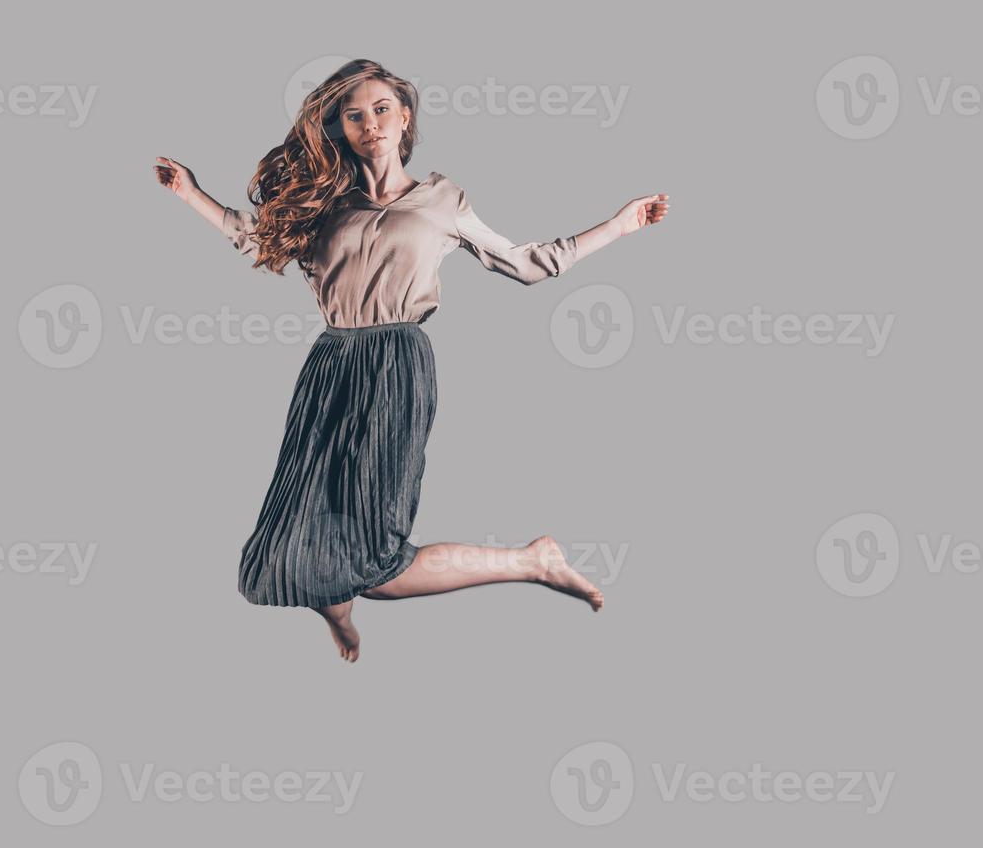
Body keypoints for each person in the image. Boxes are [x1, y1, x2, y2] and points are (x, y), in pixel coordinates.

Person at [155, 59, 669, 661]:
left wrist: (619, 225)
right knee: (298, 540)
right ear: (340, 129)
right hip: (330, 367)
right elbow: (253, 234)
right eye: (353, 115)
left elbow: (528, 263)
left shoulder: (441, 200)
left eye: (380, 110)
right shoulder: (324, 204)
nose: (369, 123)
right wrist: (191, 193)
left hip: (395, 366)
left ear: (404, 120)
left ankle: (532, 560)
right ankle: (340, 617)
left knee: (374, 555)